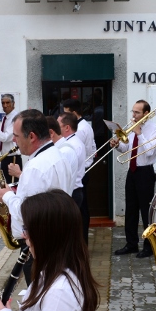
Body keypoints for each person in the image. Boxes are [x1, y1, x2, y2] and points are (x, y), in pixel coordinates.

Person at [0, 109, 74, 284]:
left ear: (31, 136)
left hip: (39, 244)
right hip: (57, 237)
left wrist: (8, 196)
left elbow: (28, 212)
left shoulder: (35, 167)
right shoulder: (59, 156)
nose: (14, 140)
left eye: (16, 136)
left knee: (38, 297)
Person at [113, 100, 156, 259]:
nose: (133, 116)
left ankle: (149, 246)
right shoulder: (131, 128)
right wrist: (117, 145)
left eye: (137, 113)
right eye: (133, 112)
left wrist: (140, 134)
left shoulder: (155, 130)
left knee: (146, 211)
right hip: (132, 172)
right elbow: (127, 149)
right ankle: (131, 243)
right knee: (131, 209)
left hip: (145, 172)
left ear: (146, 114)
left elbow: (148, 153)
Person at [62, 98, 94, 236]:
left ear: (74, 113)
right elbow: (93, 148)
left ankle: (83, 241)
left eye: (67, 114)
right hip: (83, 169)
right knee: (82, 210)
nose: (65, 117)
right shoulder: (85, 125)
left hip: (80, 173)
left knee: (81, 212)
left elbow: (74, 154)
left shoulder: (79, 130)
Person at [57, 112, 88, 241]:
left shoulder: (72, 146)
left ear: (67, 128)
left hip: (73, 191)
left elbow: (65, 174)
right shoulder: (72, 142)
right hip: (74, 190)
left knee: (71, 234)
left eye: (58, 125)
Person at [0, 93, 20, 185]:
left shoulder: (16, 118)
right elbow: (1, 140)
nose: (5, 105)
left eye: (8, 103)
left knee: (13, 186)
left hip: (13, 158)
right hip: (5, 158)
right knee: (5, 185)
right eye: (3, 103)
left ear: (13, 104)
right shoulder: (5, 118)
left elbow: (5, 137)